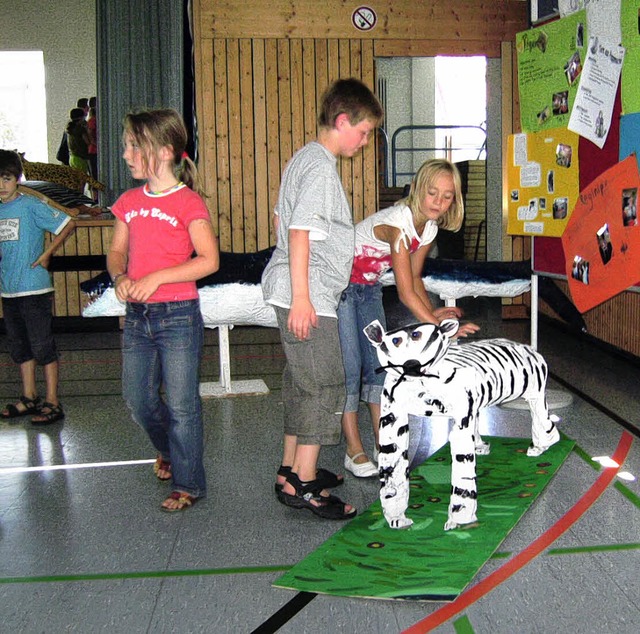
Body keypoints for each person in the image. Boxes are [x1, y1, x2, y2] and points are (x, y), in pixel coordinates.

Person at [262, 77, 383, 520]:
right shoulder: (319, 166)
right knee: (324, 385)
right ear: (343, 120)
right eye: (364, 131)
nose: (365, 141)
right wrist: (301, 297)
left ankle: (290, 468)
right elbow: (297, 232)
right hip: (307, 292)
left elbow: (281, 216)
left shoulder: (305, 160)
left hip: (303, 288)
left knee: (301, 382)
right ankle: (305, 482)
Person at [337, 159, 481, 476]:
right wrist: (438, 329)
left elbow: (415, 280)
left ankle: (381, 442)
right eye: (433, 194)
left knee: (378, 368)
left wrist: (433, 312)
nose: (439, 203)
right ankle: (353, 449)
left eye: (447, 196)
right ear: (416, 189)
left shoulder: (428, 228)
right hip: (340, 288)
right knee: (350, 369)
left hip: (369, 288)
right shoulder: (399, 226)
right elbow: (404, 294)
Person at [107, 108, 219, 512]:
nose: (126, 154)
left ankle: (189, 483)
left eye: (134, 146)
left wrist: (157, 278)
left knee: (183, 404)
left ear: (166, 151)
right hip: (138, 317)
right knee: (138, 398)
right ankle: (169, 449)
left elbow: (208, 260)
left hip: (178, 316)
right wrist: (120, 276)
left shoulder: (187, 202)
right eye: (127, 146)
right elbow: (117, 251)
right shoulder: (128, 202)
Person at [0, 149, 76, 424]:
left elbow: (67, 224)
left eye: (6, 179)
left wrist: (47, 254)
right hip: (9, 291)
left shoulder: (30, 205)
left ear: (17, 179)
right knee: (19, 346)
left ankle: (53, 401)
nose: (1, 185)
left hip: (34, 290)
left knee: (42, 345)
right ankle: (29, 396)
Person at [66, 107, 91, 175]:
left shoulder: (70, 128)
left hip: (72, 157)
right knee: (82, 182)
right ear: (81, 118)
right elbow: (88, 142)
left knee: (77, 181)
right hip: (80, 158)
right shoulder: (80, 129)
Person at [87, 97, 98, 180]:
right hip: (94, 151)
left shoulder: (92, 119)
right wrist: (94, 142)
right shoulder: (93, 120)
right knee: (95, 176)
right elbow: (90, 132)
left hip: (94, 150)